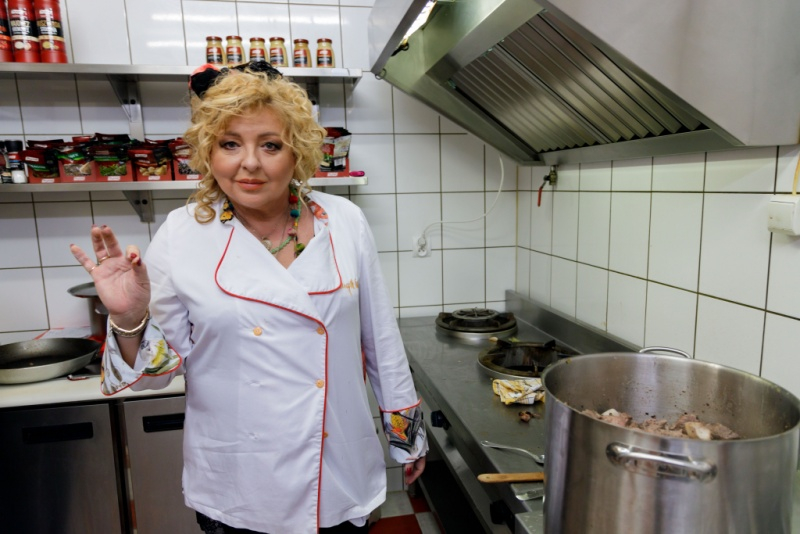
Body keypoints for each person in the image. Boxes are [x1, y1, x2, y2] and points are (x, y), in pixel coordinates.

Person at [70, 62, 427, 534]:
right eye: (230, 144)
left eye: (271, 145)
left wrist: (407, 435)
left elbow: (380, 337)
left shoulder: (343, 221)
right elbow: (157, 375)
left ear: (297, 152)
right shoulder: (182, 234)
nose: (250, 163)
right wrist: (131, 317)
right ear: (208, 153)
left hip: (336, 465)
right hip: (238, 478)